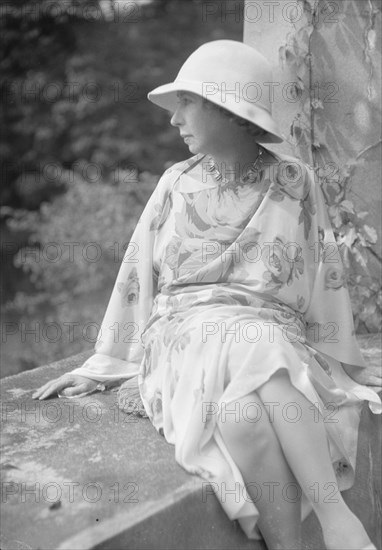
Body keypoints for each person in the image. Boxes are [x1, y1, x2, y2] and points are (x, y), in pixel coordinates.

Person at [33, 40, 381, 550]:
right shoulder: (174, 184)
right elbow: (135, 281)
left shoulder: (293, 181)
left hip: (270, 339)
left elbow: (324, 276)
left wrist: (342, 359)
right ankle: (337, 520)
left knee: (242, 418)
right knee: (251, 340)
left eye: (187, 103)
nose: (175, 120)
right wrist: (103, 363)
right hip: (183, 336)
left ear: (231, 108)